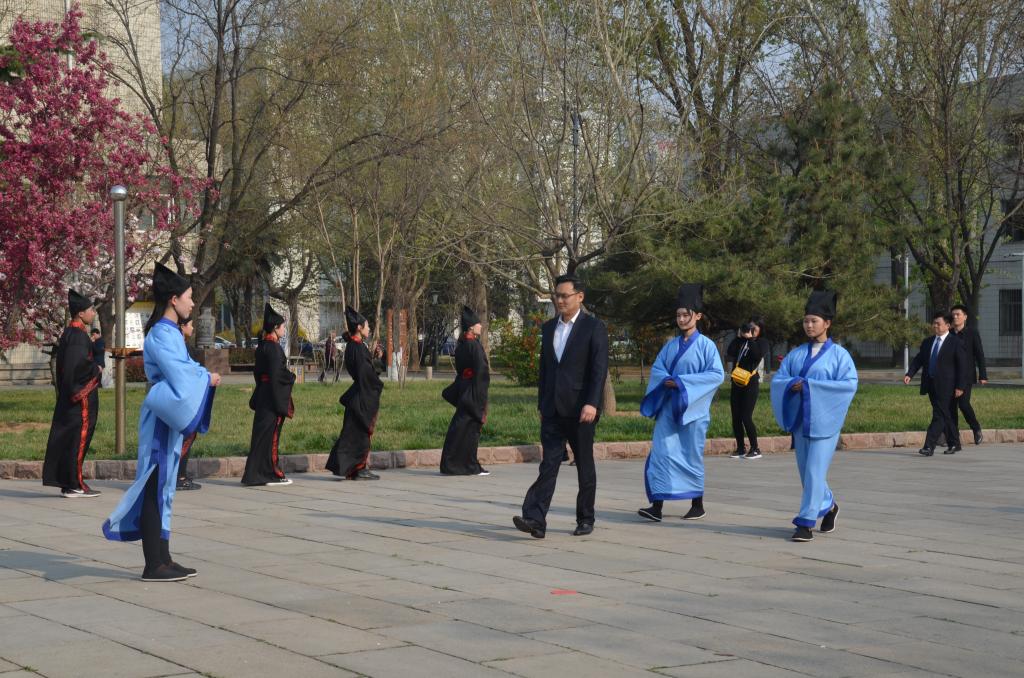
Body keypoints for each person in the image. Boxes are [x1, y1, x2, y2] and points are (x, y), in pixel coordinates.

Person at [102, 263, 219, 581]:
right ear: (173, 299)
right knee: (154, 485)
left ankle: (163, 558)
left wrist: (202, 375)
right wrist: (206, 377)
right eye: (189, 297)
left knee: (165, 487)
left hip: (169, 413)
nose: (192, 303)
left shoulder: (170, 333)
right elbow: (180, 373)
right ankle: (153, 563)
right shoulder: (161, 334)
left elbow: (185, 368)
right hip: (160, 418)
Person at [513, 273, 608, 539]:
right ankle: (535, 519)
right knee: (549, 464)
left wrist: (592, 403)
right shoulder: (548, 328)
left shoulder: (594, 327)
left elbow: (598, 370)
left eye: (565, 296)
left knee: (584, 465)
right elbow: (546, 369)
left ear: (580, 297)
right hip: (552, 409)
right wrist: (542, 403)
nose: (560, 300)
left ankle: (585, 518)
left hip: (581, 410)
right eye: (557, 295)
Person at [770, 290, 857, 542]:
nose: (809, 325)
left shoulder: (840, 355)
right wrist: (792, 384)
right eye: (806, 321)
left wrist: (809, 386)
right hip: (802, 421)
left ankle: (805, 523)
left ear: (827, 323)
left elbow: (848, 385)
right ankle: (829, 505)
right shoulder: (796, 354)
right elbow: (779, 380)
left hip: (825, 421)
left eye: (814, 321)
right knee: (806, 473)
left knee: (815, 471)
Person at [637, 284, 724, 523]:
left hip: (693, 411)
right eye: (679, 315)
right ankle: (656, 506)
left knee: (691, 455)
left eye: (686, 315)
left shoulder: (707, 346)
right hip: (668, 408)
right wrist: (666, 381)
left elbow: (716, 375)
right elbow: (658, 370)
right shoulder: (670, 346)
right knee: (661, 454)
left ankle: (697, 504)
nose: (682, 319)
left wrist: (681, 383)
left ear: (698, 316)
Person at [42, 290, 103, 498]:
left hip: (74, 399)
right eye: (91, 310)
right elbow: (76, 367)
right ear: (80, 313)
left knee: (71, 439)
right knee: (78, 439)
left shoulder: (71, 333)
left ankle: (70, 483)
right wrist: (96, 369)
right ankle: (75, 484)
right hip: (81, 399)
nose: (93, 313)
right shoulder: (77, 336)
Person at [326, 306, 384, 480]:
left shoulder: (355, 346)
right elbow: (366, 374)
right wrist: (377, 382)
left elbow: (366, 369)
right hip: (362, 396)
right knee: (360, 434)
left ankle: (352, 468)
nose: (369, 328)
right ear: (359, 327)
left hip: (358, 393)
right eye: (367, 325)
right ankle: (358, 468)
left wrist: (375, 359)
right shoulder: (357, 348)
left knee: (352, 433)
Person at [242, 303, 296, 486]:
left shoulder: (263, 346)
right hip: (273, 397)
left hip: (264, 394)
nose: (284, 330)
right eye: (283, 327)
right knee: (271, 436)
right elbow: (277, 375)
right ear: (275, 327)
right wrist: (291, 377)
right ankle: (272, 473)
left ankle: (254, 474)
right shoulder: (273, 348)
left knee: (261, 436)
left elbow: (259, 374)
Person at [904, 311, 969, 456]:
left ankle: (929, 446)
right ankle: (955, 443)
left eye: (938, 324)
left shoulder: (956, 342)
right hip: (931, 384)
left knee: (939, 415)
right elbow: (919, 359)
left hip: (948, 386)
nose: (935, 326)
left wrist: (960, 386)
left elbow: (963, 367)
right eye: (933, 323)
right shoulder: (928, 342)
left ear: (947, 325)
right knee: (946, 414)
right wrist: (910, 374)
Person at [440, 306, 490, 476]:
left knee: (461, 429)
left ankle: (455, 464)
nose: (481, 326)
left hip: (464, 390)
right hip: (473, 392)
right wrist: (481, 397)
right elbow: (482, 372)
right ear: (471, 327)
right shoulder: (473, 345)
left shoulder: (462, 345)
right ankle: (468, 465)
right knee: (470, 431)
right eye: (478, 324)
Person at [726, 316, 770, 459]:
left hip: (750, 382)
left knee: (746, 416)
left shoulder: (762, 342)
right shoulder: (741, 341)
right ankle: (740, 448)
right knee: (736, 417)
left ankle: (755, 448)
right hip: (737, 381)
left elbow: (756, 355)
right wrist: (739, 337)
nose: (750, 330)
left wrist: (750, 339)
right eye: (749, 327)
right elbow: (730, 352)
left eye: (754, 328)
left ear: (760, 329)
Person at [950, 304, 987, 445]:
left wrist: (983, 375)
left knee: (964, 404)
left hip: (966, 375)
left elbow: (979, 355)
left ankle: (976, 429)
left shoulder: (972, 333)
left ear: (965, 317)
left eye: (958, 314)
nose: (955, 317)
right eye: (953, 315)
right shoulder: (949, 333)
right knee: (951, 406)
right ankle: (953, 435)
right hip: (950, 376)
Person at [175, 316, 202, 491]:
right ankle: (178, 476)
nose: (192, 329)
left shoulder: (182, 346)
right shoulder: (180, 347)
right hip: (183, 399)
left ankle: (179, 474)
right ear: (182, 326)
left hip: (185, 397)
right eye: (190, 325)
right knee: (185, 436)